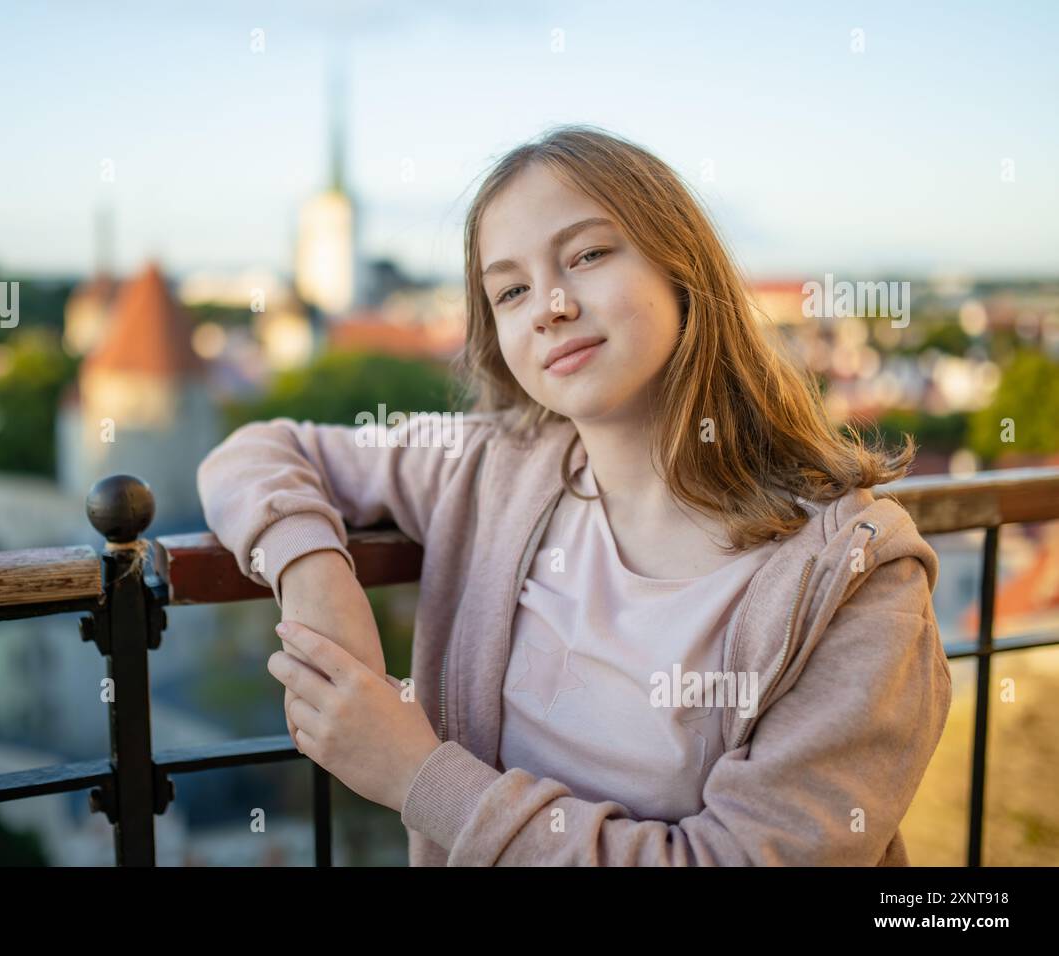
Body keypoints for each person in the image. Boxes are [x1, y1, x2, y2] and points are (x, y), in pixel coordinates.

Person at [195, 124, 952, 866]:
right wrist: (318, 579)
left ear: (681, 270)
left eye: (587, 255)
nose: (549, 307)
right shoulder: (493, 468)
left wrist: (418, 777)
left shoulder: (854, 579)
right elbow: (256, 451)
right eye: (511, 290)